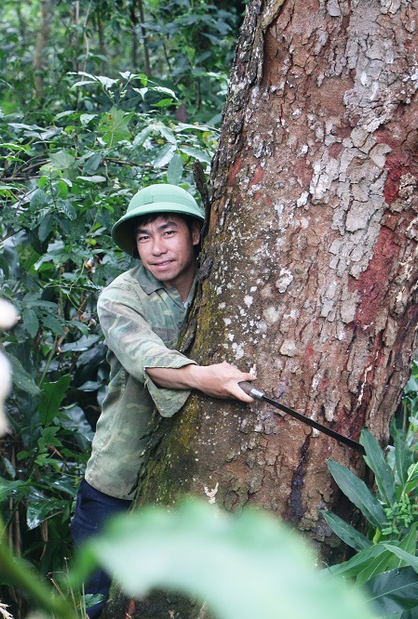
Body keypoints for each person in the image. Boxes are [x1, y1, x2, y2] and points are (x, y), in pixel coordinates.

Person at [70, 183, 255, 618]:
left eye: (168, 232)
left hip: (193, 478)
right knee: (99, 605)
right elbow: (147, 359)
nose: (156, 248)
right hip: (118, 481)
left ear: (194, 233)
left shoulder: (228, 283)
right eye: (144, 237)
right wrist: (202, 378)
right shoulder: (120, 297)